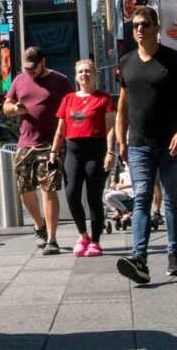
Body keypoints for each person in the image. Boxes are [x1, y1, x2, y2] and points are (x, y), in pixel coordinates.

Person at [114, 7, 177, 284]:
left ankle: (174, 255)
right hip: (138, 143)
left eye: (145, 24)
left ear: (156, 27)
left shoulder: (174, 58)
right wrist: (119, 136)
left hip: (171, 141)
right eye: (135, 25)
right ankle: (140, 259)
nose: (139, 29)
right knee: (142, 198)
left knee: (171, 198)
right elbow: (123, 103)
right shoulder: (126, 61)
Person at [3, 46, 74, 255]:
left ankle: (52, 239)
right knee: (24, 189)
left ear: (43, 62)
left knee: (48, 189)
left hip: (51, 143)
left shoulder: (60, 81)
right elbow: (6, 107)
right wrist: (15, 109)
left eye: (33, 68)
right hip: (25, 143)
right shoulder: (19, 80)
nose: (30, 72)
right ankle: (39, 225)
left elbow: (72, 106)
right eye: (27, 68)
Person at [52, 59, 115, 257]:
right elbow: (60, 129)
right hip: (73, 151)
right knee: (71, 194)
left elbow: (111, 128)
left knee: (93, 197)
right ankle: (83, 235)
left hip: (96, 150)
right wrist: (53, 151)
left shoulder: (104, 98)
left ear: (95, 75)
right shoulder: (68, 99)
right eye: (80, 71)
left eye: (88, 71)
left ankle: (95, 241)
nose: (84, 74)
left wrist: (110, 152)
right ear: (76, 76)